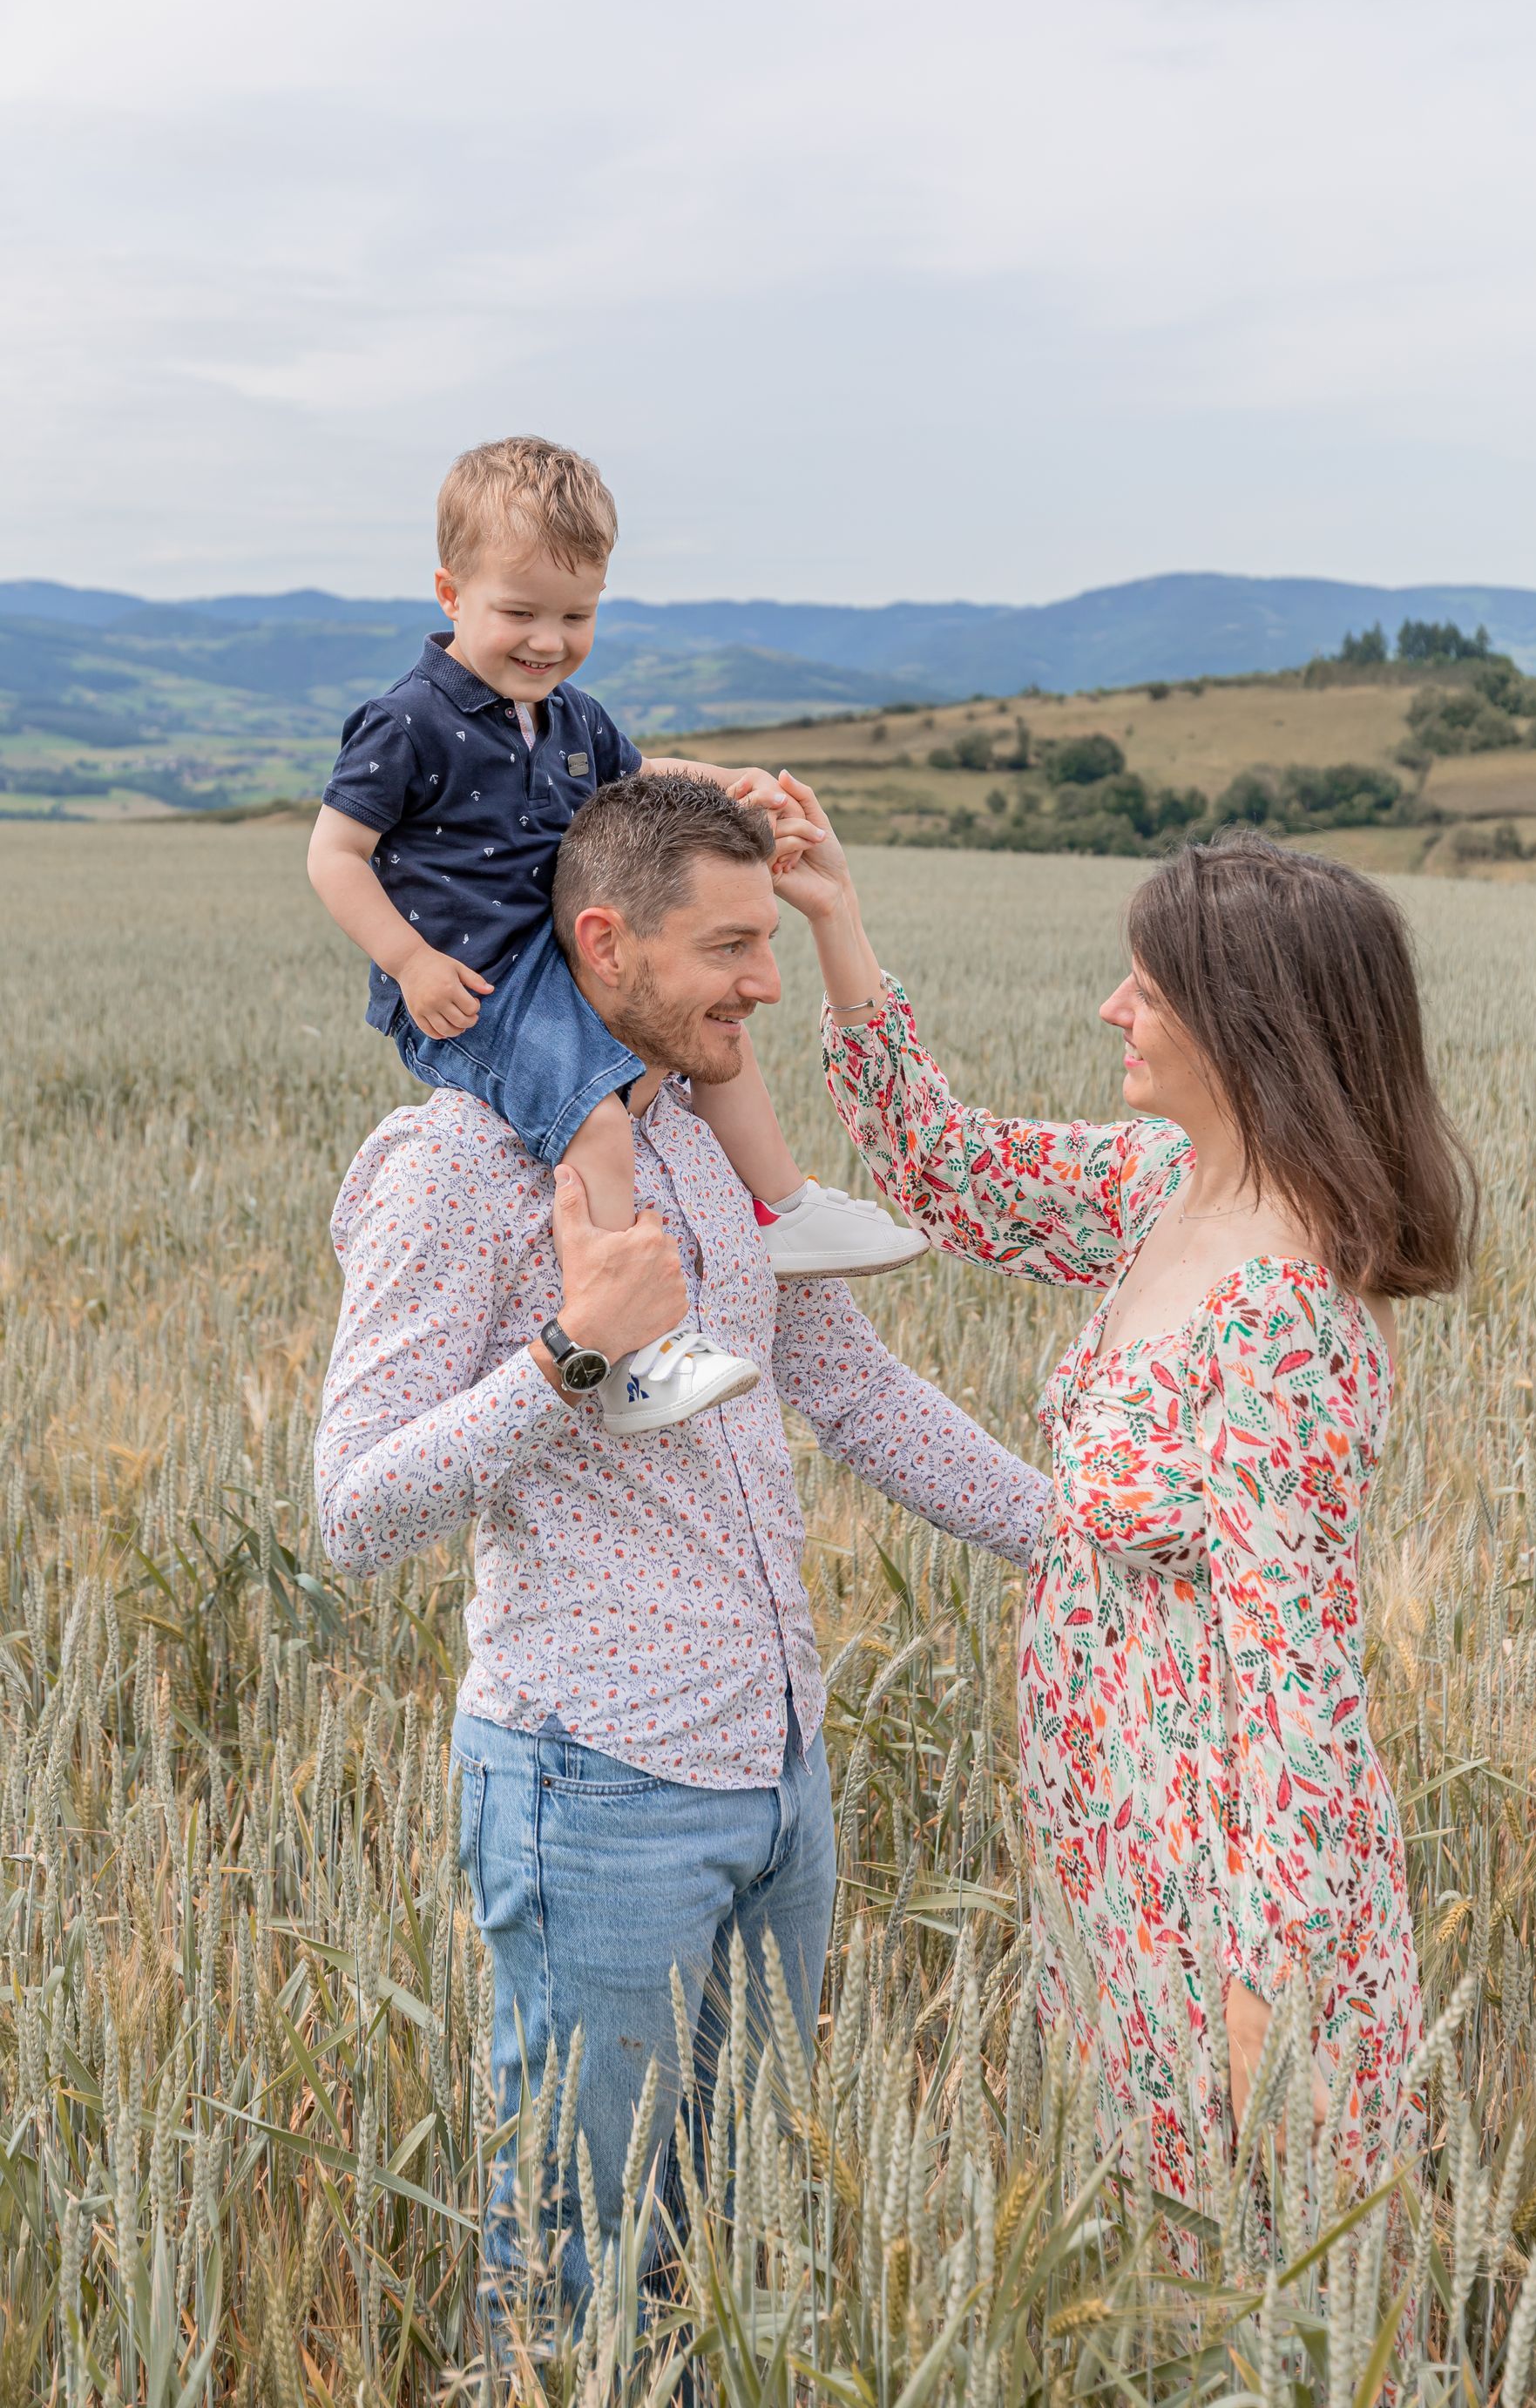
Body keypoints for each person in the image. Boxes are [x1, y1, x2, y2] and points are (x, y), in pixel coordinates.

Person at [314, 773, 1047, 2343]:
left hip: (780, 1768)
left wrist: (1080, 1538)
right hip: (596, 1785)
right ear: (605, 941)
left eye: (770, 939)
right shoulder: (458, 1166)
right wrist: (573, 1355)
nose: (764, 984)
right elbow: (353, 1510)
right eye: (728, 946)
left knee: (725, 2234)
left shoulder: (700, 1134)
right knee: (583, 2258)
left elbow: (847, 1384)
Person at [775, 786, 1473, 2223]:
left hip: (1217, 1868)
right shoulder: (1168, 1187)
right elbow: (941, 1172)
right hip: (1115, 1826)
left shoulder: (1286, 1322)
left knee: (1255, 2258)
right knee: (1156, 2243)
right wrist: (834, 917)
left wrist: (1266, 1991)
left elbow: (1300, 1685)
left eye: (1146, 991)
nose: (1111, 1010)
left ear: (1245, 1025)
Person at [307, 435, 924, 1439]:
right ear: (448, 593)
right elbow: (334, 855)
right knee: (600, 1118)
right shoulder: (407, 722)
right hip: (474, 991)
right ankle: (635, 1354)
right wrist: (410, 963)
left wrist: (728, 782)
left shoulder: (569, 716)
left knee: (703, 1049)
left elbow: (640, 781)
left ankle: (779, 1208)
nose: (547, 640)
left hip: (558, 964)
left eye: (576, 615)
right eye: (519, 613)